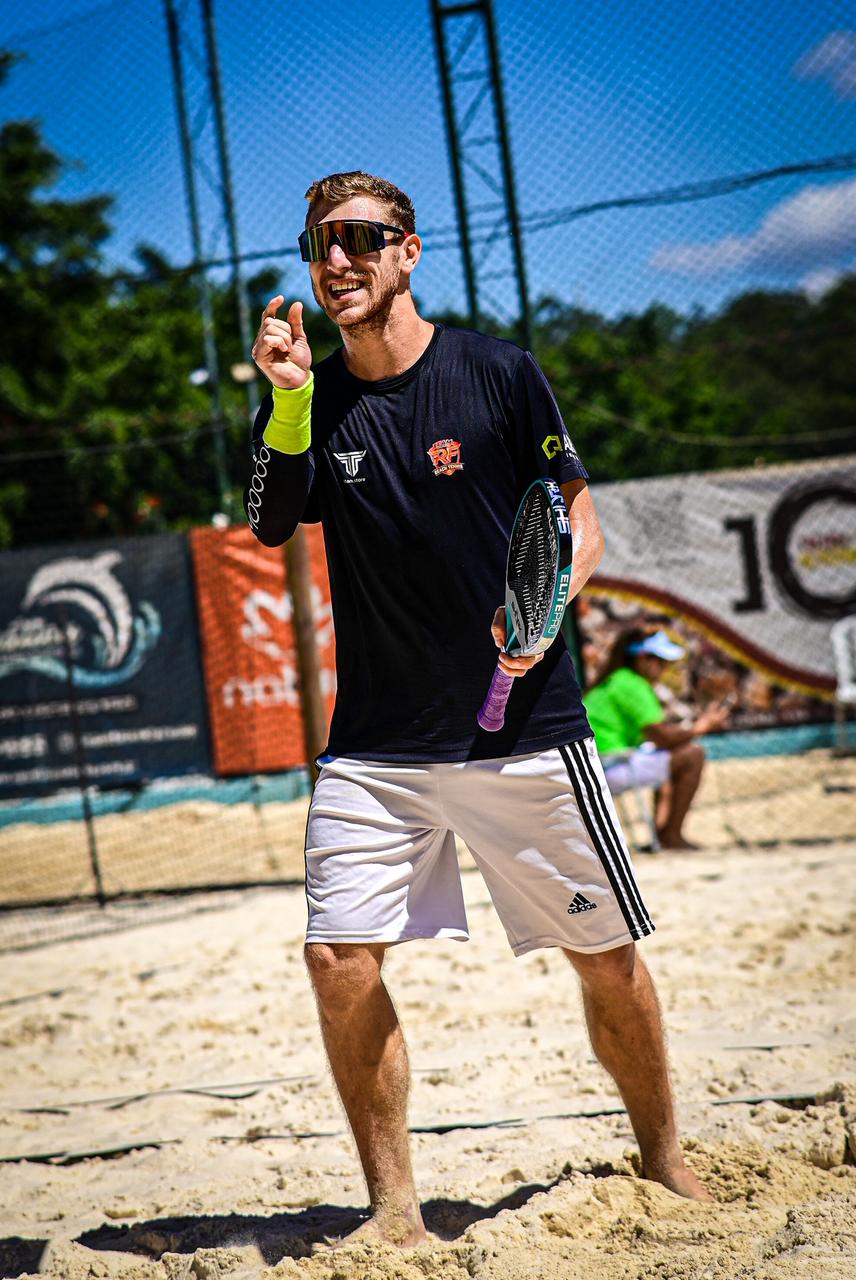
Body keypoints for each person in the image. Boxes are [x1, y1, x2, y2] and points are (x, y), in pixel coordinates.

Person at [245, 170, 709, 1250]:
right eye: (321, 243)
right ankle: (395, 1209)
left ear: (409, 251)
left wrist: (550, 604)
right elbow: (272, 522)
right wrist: (285, 398)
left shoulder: (498, 373)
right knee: (337, 957)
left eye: (362, 238)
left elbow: (578, 520)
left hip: (522, 728)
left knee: (605, 959)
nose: (338, 258)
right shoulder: (315, 396)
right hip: (377, 742)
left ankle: (663, 1153)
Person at [583, 628, 730, 850]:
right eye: (659, 661)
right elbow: (662, 737)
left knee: (670, 756)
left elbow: (660, 738)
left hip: (598, 765)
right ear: (641, 659)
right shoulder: (631, 684)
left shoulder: (617, 679)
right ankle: (671, 836)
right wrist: (701, 727)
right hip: (610, 768)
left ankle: (663, 834)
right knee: (692, 755)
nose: (663, 668)